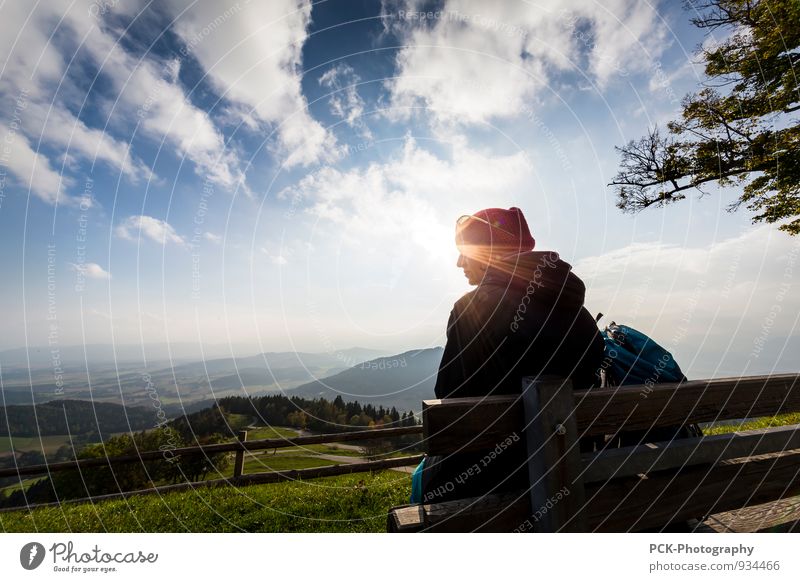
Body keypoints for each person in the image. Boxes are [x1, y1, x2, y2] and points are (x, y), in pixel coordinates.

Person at [419, 207, 605, 503]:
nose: (458, 262)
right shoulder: (577, 312)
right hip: (578, 477)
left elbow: (450, 398)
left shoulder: (471, 308)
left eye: (465, 251)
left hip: (495, 485)